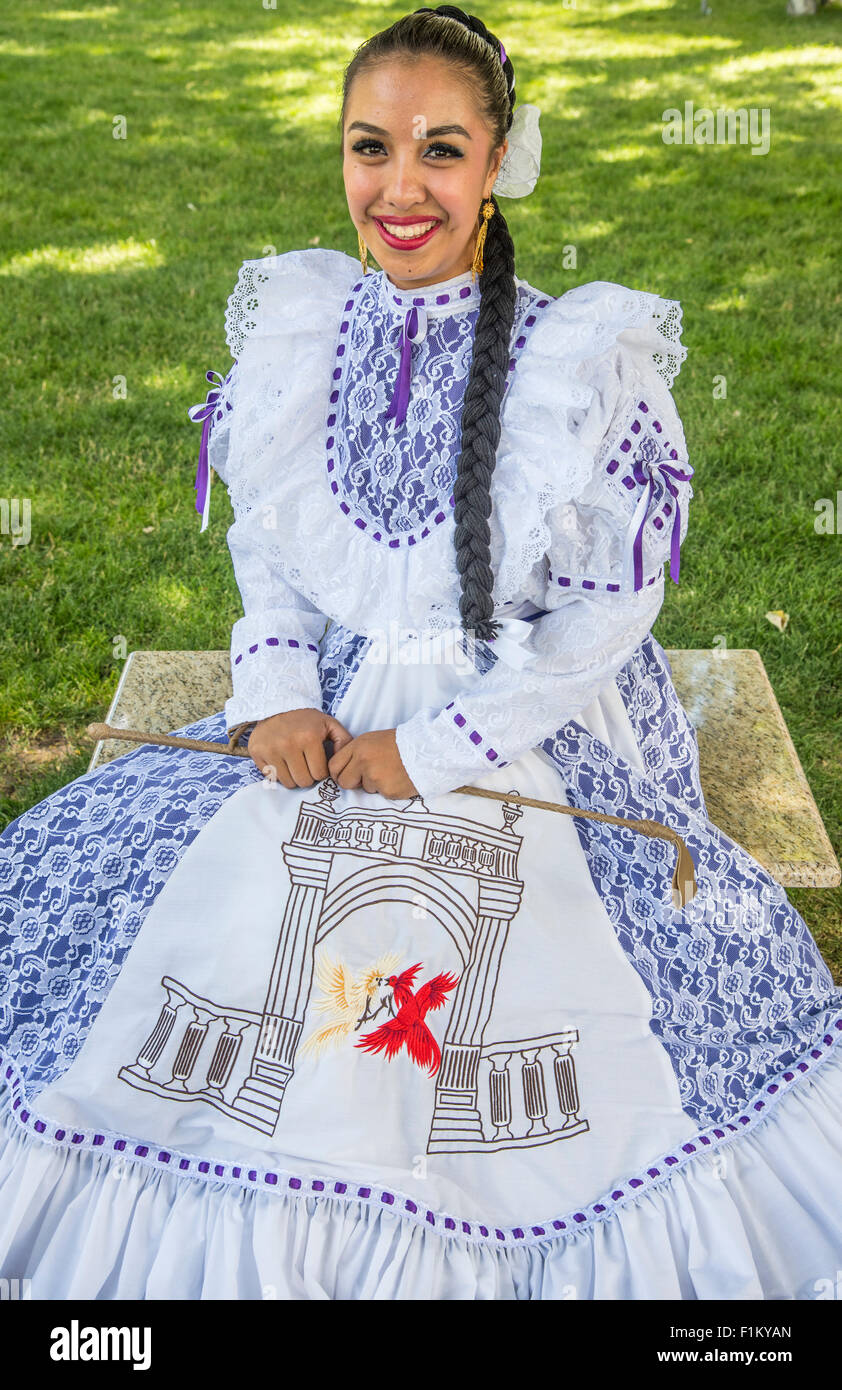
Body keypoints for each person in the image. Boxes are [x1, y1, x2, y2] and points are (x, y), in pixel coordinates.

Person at [1, 5, 840, 1302]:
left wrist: (441, 745)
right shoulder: (304, 326)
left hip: (524, 714)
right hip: (337, 703)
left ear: (501, 160)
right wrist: (278, 690)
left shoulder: (579, 360)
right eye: (370, 147)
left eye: (441, 150)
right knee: (236, 903)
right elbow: (273, 546)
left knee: (486, 959)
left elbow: (601, 615)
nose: (400, 188)